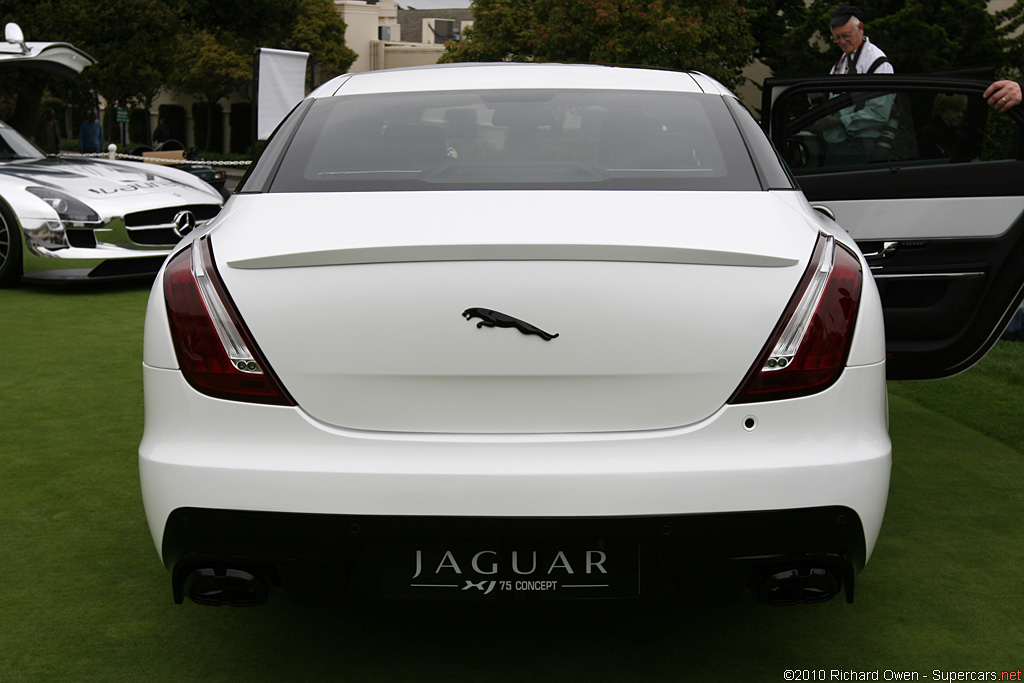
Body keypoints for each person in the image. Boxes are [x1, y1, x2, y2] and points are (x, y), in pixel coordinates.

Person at [813, 5, 896, 165]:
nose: (842, 42)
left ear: (860, 29)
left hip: (862, 146)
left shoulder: (877, 64)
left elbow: (879, 113)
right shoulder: (842, 62)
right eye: (837, 38)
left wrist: (838, 122)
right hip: (838, 144)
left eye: (846, 36)